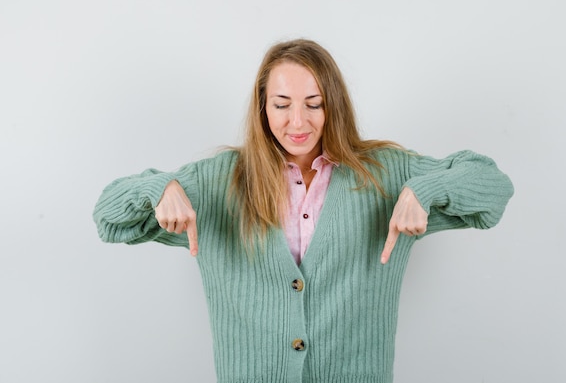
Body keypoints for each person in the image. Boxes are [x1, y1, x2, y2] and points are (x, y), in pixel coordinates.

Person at [93, 38, 514, 383]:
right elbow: (108, 217)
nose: (299, 121)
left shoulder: (386, 173)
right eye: (282, 104)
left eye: (314, 103)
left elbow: (493, 187)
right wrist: (157, 188)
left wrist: (426, 189)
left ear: (334, 105)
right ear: (262, 108)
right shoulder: (219, 180)